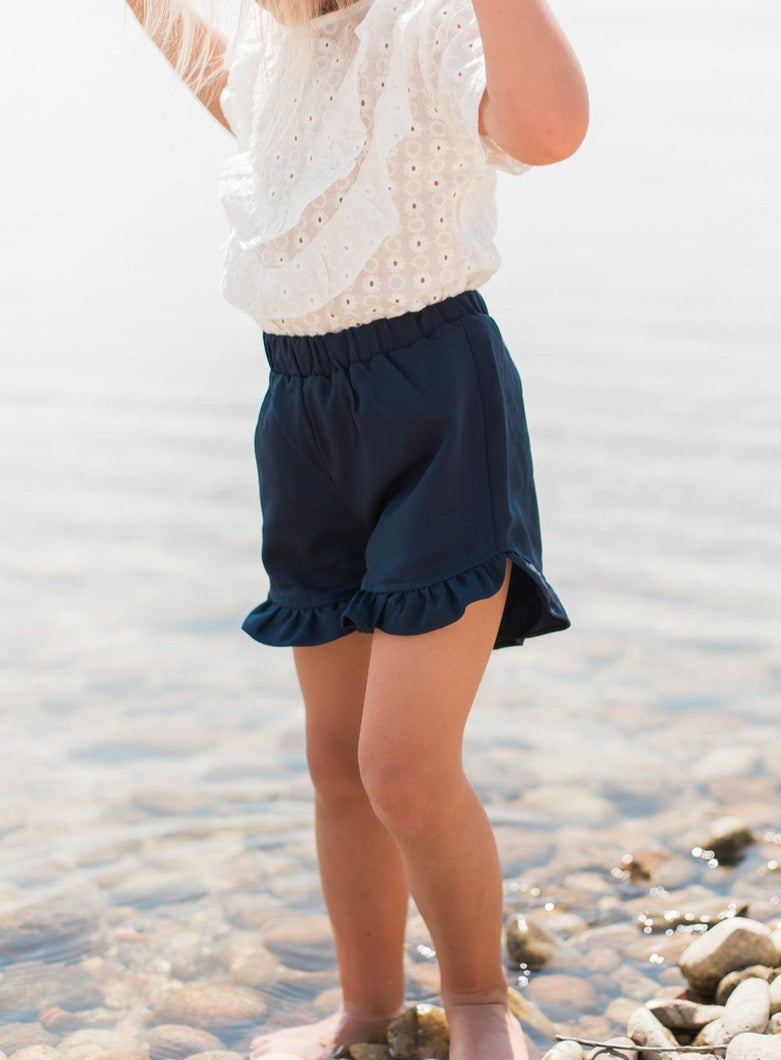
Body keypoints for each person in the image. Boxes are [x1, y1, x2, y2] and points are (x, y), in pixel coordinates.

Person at [122, 0, 588, 1057]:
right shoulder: (275, 51)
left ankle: (476, 1003)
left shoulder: (427, 27)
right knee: (336, 757)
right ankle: (366, 1009)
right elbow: (224, 85)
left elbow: (549, 132)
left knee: (404, 766)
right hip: (302, 412)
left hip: (434, 399)